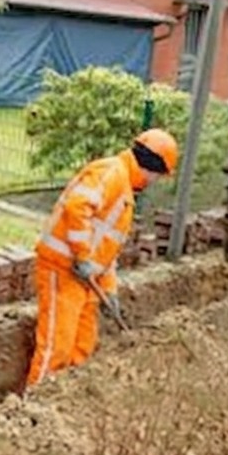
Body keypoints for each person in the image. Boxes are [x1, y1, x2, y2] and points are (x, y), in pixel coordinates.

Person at [25, 129, 179, 387]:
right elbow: (77, 207)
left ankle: (64, 403)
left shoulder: (126, 191)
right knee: (57, 347)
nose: (154, 182)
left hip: (85, 279)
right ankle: (28, 412)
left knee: (82, 346)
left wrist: (110, 292)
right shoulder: (112, 173)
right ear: (152, 168)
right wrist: (82, 256)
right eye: (158, 176)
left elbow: (107, 253)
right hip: (62, 270)